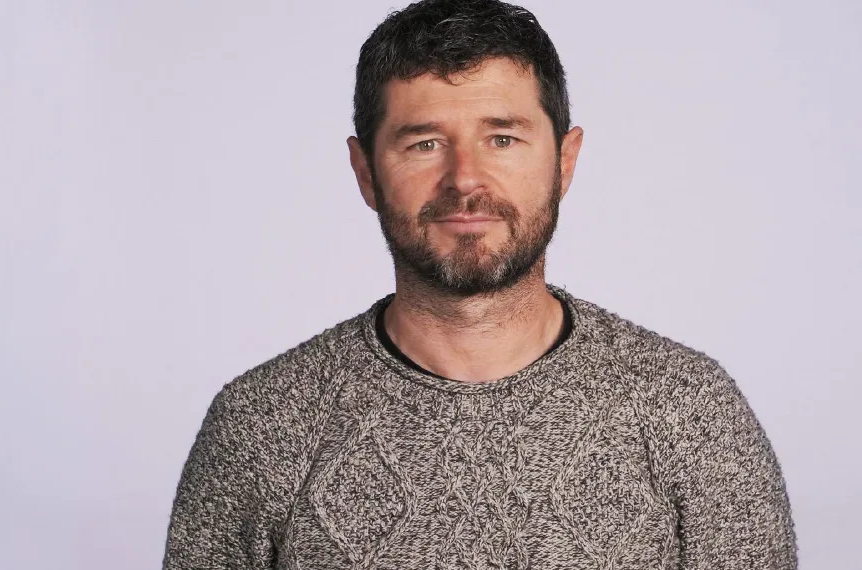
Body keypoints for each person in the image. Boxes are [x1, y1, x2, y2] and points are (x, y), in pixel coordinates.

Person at [162, 0, 798, 568]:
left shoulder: (690, 409)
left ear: (564, 161)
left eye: (502, 138)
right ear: (365, 171)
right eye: (424, 143)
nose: (465, 178)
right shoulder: (259, 425)